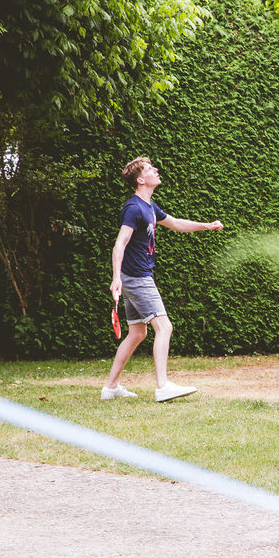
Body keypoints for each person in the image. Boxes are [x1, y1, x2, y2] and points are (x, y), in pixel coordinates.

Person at [101, 156, 222, 402]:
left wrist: (206, 226)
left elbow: (175, 223)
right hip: (137, 277)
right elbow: (120, 243)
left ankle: (111, 387)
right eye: (149, 168)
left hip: (134, 276)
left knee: (137, 333)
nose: (155, 170)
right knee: (164, 327)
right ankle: (162, 386)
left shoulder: (150, 207)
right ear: (140, 179)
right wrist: (116, 277)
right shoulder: (133, 208)